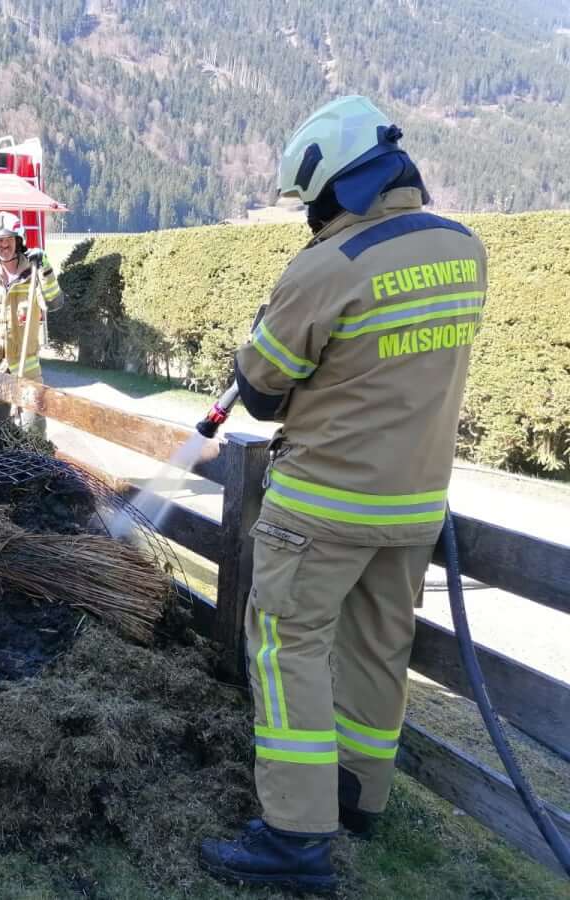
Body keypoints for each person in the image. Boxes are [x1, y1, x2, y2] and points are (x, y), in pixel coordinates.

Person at [199, 96, 488, 894]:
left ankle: (293, 837)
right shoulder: (465, 250)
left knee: (286, 653)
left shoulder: (328, 266)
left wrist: (267, 327)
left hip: (320, 509)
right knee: (376, 652)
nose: (312, 217)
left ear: (337, 184)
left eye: (313, 202)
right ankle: (359, 797)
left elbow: (263, 393)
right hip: (413, 510)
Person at [0, 212, 62, 432]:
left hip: (27, 369)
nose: (3, 245)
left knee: (33, 429)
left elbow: (55, 302)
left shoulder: (34, 273)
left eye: (8, 239)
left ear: (18, 241)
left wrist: (45, 267)